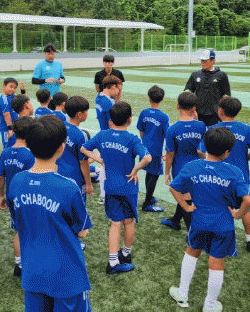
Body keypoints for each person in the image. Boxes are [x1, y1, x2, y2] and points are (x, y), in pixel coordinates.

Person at [8, 115, 92, 311]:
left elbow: (18, 222)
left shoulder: (17, 182)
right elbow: (82, 231)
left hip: (33, 271)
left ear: (29, 144)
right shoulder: (68, 186)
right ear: (61, 147)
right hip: (66, 274)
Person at [168, 127, 250, 312]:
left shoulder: (192, 166)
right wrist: (238, 215)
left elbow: (173, 187)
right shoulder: (234, 171)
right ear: (227, 152)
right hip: (223, 224)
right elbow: (248, 200)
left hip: (199, 221)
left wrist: (186, 207)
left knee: (191, 253)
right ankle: (210, 306)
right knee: (217, 264)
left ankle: (182, 294)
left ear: (205, 146)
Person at [81, 102, 151, 274]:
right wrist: (136, 169)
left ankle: (112, 261)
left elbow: (83, 149)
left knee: (115, 223)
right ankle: (126, 254)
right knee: (129, 221)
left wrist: (100, 160)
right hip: (128, 187)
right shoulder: (132, 138)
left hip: (110, 186)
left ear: (110, 120)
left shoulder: (102, 135)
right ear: (130, 119)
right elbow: (147, 158)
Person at [207, 96, 250, 252]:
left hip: (218, 175)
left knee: (217, 206)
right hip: (240, 176)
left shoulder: (213, 128)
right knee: (246, 208)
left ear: (220, 111)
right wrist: (245, 158)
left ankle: (216, 238)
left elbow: (201, 151)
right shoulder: (245, 128)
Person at [161, 92, 207, 231]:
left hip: (180, 168)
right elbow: (202, 149)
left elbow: (170, 154)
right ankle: (175, 221)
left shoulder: (172, 129)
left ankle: (192, 234)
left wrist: (166, 173)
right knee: (185, 195)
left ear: (177, 106)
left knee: (185, 198)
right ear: (194, 108)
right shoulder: (201, 126)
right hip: (198, 167)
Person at [0, 116, 35, 277]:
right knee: (33, 229)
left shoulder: (6, 152)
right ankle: (32, 261)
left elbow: (1, 176)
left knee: (19, 230)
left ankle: (19, 264)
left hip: (11, 195)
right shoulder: (30, 155)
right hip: (28, 198)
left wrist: (1, 195)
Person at [136, 85, 170, 212]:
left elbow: (141, 131)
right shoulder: (164, 116)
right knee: (154, 174)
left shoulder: (144, 112)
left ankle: (149, 197)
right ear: (162, 99)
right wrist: (167, 152)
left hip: (144, 148)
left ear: (149, 98)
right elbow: (167, 136)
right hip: (156, 150)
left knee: (149, 172)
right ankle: (147, 203)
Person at [58, 96, 94, 199]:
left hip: (58, 172)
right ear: (79, 115)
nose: (87, 114)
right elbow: (83, 162)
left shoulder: (60, 126)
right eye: (86, 111)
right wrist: (88, 184)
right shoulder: (81, 135)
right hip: (75, 178)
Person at [184, 49, 230, 127]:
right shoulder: (195, 74)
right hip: (198, 113)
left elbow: (226, 95)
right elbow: (188, 92)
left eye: (205, 60)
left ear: (213, 60)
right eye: (202, 60)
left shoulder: (221, 75)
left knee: (213, 133)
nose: (203, 63)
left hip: (215, 114)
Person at [0, 77, 26, 148]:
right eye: (11, 87)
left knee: (16, 145)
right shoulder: (4, 99)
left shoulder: (12, 96)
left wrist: (22, 89)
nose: (13, 89)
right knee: (8, 147)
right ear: (4, 86)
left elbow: (22, 99)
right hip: (7, 129)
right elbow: (6, 114)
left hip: (15, 127)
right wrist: (10, 129)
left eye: (15, 88)